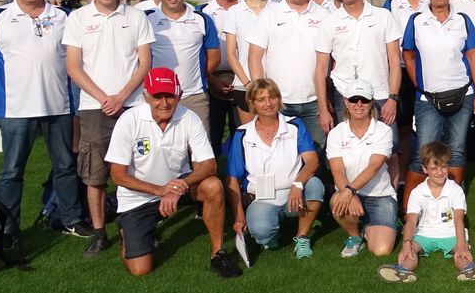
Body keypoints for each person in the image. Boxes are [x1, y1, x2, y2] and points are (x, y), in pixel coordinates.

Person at [0, 0, 95, 244]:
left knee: (65, 166)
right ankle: (8, 227)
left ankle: (71, 219)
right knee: (12, 170)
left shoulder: (65, 16)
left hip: (59, 106)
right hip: (15, 109)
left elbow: (76, 58)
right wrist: (15, 83)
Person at [105, 67, 240, 277]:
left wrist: (177, 188)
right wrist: (160, 191)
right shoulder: (128, 121)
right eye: (158, 96)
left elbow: (209, 164)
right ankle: (126, 228)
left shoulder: (189, 118)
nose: (164, 102)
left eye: (170, 95)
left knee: (213, 185)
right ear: (146, 96)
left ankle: (218, 253)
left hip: (178, 188)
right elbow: (117, 175)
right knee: (140, 270)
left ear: (179, 95)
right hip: (138, 198)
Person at [63, 0, 154, 257]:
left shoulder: (137, 16)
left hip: (134, 104)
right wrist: (105, 98)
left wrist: (122, 96)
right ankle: (100, 233)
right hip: (94, 106)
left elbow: (145, 63)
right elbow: (73, 67)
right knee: (96, 173)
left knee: (139, 168)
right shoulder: (77, 18)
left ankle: (140, 228)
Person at [315, 0, 402, 182]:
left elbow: (394, 61)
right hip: (344, 94)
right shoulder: (329, 23)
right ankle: (345, 198)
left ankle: (390, 200)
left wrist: (392, 98)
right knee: (345, 151)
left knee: (390, 152)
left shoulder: (383, 16)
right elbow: (320, 69)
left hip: (380, 94)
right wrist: (323, 109)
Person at [402, 0, 475, 193]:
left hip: (462, 95)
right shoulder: (416, 21)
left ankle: (453, 204)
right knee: (423, 154)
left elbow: (473, 57)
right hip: (428, 99)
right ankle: (410, 211)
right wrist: (419, 84)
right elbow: (408, 55)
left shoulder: (462, 20)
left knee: (456, 152)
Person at [227, 78, 325, 259]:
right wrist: (239, 216)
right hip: (261, 197)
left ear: (279, 100)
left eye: (272, 97)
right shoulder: (242, 134)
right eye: (261, 99)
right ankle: (270, 233)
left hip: (294, 193)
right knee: (261, 232)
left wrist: (297, 184)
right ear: (252, 104)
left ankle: (302, 237)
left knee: (315, 185)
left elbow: (312, 161)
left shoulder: (295, 125)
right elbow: (233, 179)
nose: (268, 103)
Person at [378, 141, 475, 283]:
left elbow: (458, 219)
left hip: (450, 233)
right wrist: (406, 243)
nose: (440, 172)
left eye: (443, 167)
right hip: (424, 233)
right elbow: (412, 220)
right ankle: (403, 271)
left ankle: (469, 270)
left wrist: (462, 245)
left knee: (461, 254)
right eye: (434, 168)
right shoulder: (417, 192)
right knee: (410, 252)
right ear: (425, 169)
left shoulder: (455, 190)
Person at [247, 0, 334, 145]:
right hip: (279, 102)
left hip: (315, 101)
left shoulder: (324, 16)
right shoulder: (269, 15)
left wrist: (325, 100)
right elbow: (254, 57)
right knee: (280, 153)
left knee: (317, 152)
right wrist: (261, 94)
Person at [326, 78, 399, 258]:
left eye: (364, 100)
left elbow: (374, 166)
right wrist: (349, 193)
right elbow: (338, 171)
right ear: (346, 102)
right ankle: (355, 235)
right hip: (347, 192)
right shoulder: (336, 133)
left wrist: (350, 190)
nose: (359, 104)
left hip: (380, 195)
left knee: (381, 250)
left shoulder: (384, 131)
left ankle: (370, 226)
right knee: (337, 200)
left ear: (372, 102)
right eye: (354, 99)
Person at [146, 0, 221, 139]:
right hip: (157, 96)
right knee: (161, 148)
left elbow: (215, 56)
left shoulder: (202, 19)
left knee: (199, 152)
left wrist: (199, 76)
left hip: (193, 96)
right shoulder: (147, 18)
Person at [385, 0, 430, 175]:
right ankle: (402, 175)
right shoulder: (392, 4)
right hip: (401, 71)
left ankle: (429, 173)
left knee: (429, 126)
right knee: (402, 126)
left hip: (428, 70)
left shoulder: (432, 1)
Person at [198, 0, 242, 154]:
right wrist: (211, 79)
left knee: (242, 133)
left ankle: (242, 179)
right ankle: (212, 177)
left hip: (241, 79)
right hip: (211, 79)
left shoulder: (245, 8)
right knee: (212, 134)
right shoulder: (202, 13)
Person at [221, 0, 270, 125]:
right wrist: (248, 84)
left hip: (274, 85)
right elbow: (230, 54)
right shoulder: (235, 12)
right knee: (249, 137)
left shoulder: (277, 8)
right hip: (245, 86)